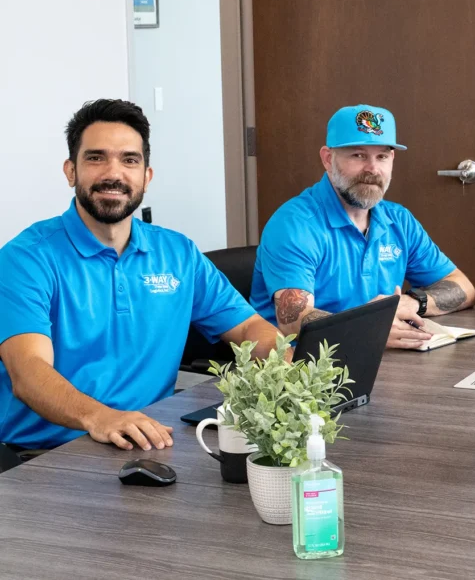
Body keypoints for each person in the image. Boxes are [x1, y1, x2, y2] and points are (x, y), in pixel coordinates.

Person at [0, 99, 280, 452]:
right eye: (95, 157)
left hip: (149, 440)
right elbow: (28, 372)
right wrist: (100, 417)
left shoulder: (178, 253)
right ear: (71, 171)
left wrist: (283, 365)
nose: (113, 173)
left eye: (129, 160)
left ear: (146, 176)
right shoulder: (26, 258)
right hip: (46, 454)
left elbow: (247, 328)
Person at [249, 104, 475, 349]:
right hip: (302, 371)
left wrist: (412, 303)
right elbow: (294, 319)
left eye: (382, 156)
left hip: (374, 357)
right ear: (328, 159)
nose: (372, 169)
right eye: (358, 155)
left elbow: (464, 288)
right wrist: (369, 328)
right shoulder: (294, 224)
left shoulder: (399, 219)